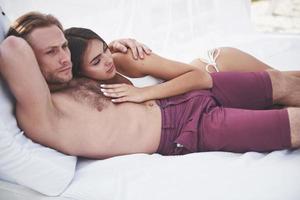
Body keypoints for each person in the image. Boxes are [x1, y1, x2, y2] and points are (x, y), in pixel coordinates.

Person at [0, 12, 299, 159]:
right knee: (293, 124)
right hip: (185, 131)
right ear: (30, 60)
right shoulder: (43, 112)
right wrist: (20, 31)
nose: (63, 58)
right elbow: (12, 47)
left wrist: (113, 43)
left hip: (185, 93)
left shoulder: (77, 73)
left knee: (285, 82)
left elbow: (90, 53)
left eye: (63, 47)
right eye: (51, 52)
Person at [64, 27, 300, 104]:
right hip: (211, 94)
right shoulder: (87, 88)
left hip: (217, 67)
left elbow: (197, 76)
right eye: (96, 61)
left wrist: (143, 93)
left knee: (289, 87)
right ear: (80, 73)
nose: (107, 60)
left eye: (105, 49)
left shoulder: (124, 59)